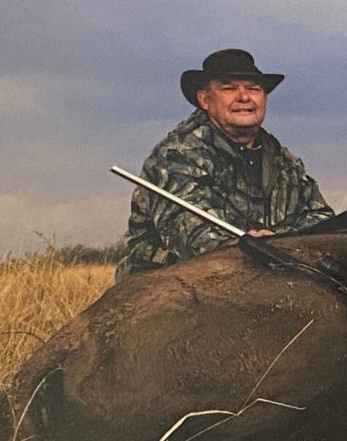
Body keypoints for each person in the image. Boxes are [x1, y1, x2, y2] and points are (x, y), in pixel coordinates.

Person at [115, 49, 334, 282]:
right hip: (168, 288)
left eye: (253, 88)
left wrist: (277, 239)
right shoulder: (177, 155)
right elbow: (193, 235)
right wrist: (253, 246)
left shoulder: (284, 162)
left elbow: (324, 220)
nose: (244, 97)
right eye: (229, 88)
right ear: (204, 99)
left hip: (260, 280)